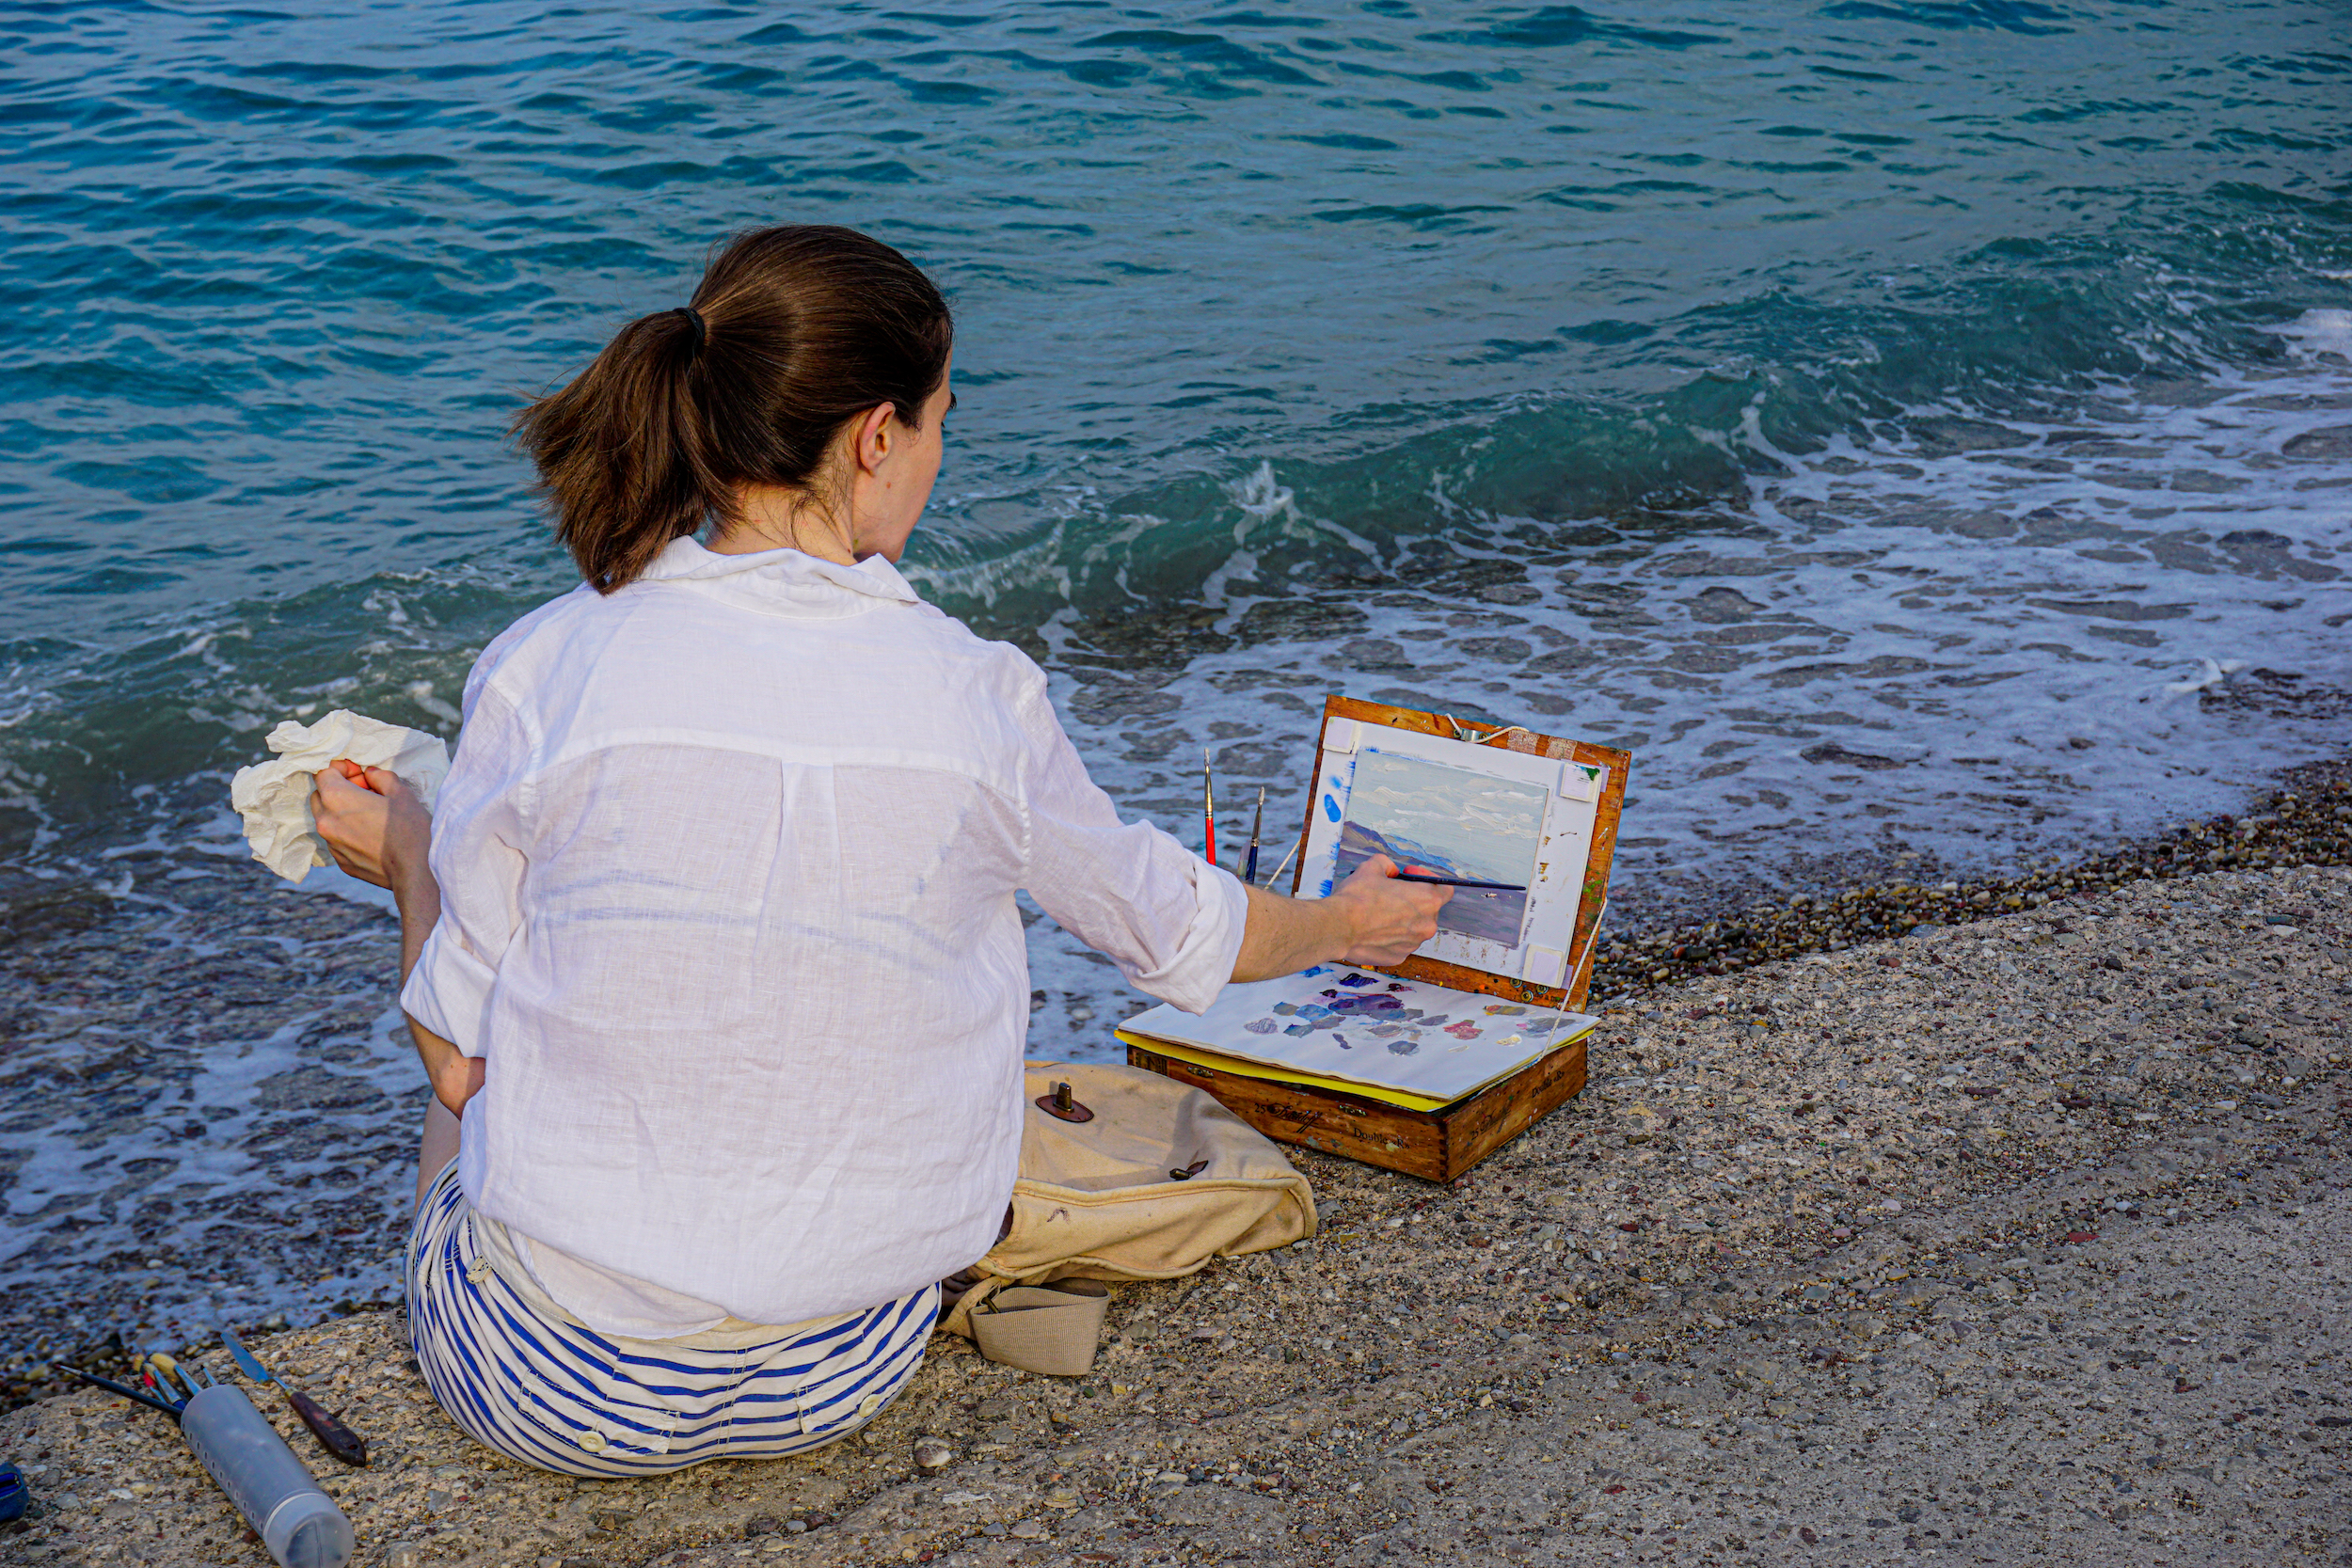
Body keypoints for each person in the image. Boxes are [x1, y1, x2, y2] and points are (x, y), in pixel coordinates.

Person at [310, 224, 1448, 1479]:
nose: (940, 456)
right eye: (942, 422)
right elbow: (1182, 931)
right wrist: (1349, 924)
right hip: (843, 1370)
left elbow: (462, 1071)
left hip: (555, 1393)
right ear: (876, 436)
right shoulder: (978, 697)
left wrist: (415, 856)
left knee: (463, 1073)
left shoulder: (548, 662)